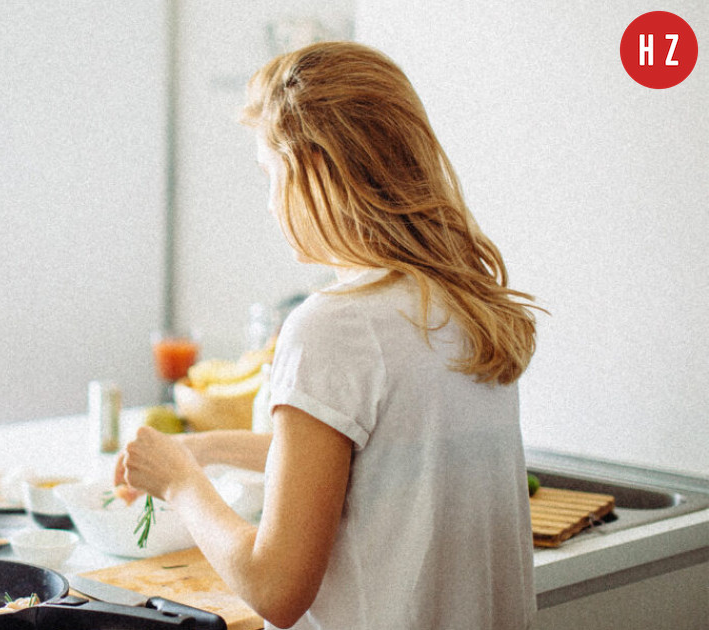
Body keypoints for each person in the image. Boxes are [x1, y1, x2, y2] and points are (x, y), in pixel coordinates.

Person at [116, 41, 541, 629]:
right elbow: (358, 464)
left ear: (315, 171)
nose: (270, 204)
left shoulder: (335, 326)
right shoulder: (463, 308)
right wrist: (203, 449)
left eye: (271, 174)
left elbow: (277, 589)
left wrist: (183, 485)